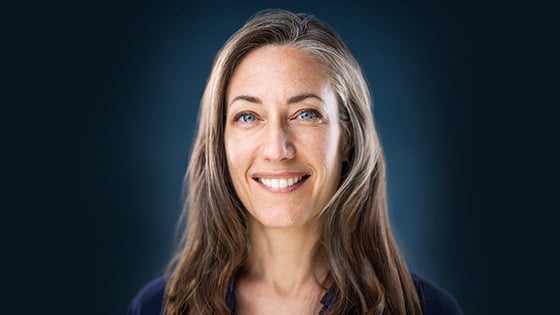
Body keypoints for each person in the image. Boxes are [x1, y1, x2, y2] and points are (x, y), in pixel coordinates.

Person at [128, 9, 462, 315]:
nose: (277, 149)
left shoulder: (426, 309)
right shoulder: (157, 307)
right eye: (248, 116)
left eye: (306, 114)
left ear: (348, 138)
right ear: (221, 143)